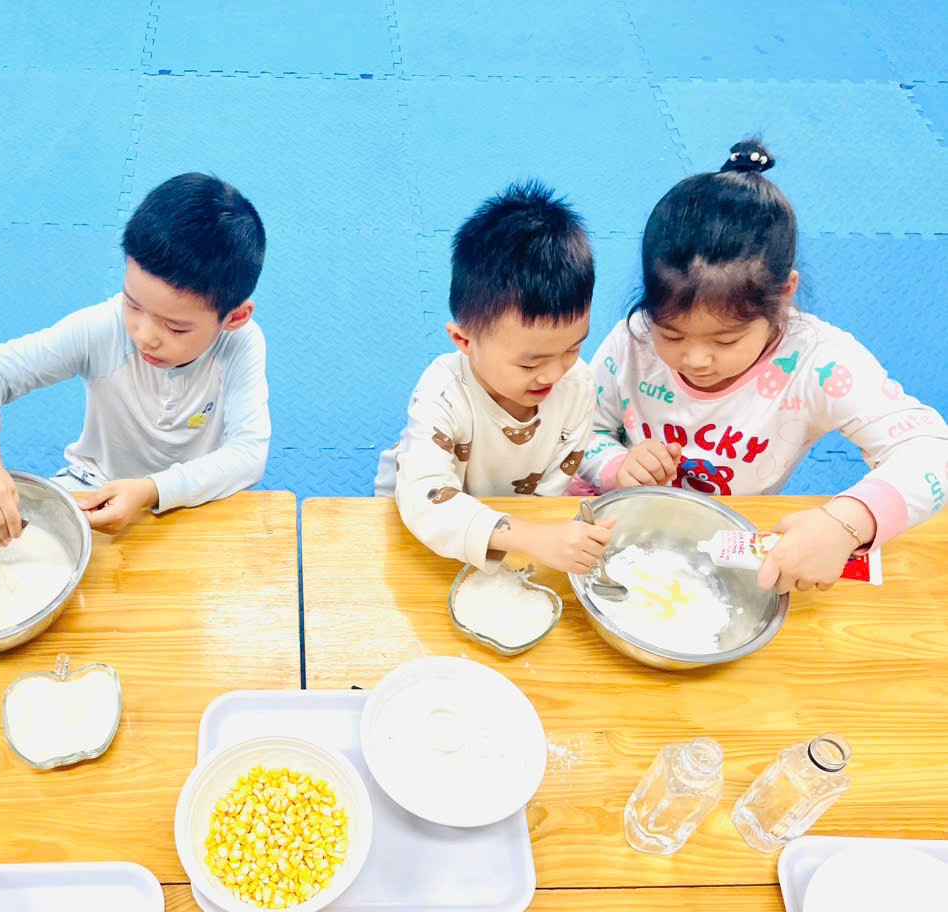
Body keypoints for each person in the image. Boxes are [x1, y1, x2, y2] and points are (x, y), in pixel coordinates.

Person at [581, 140, 948, 593]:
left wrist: (846, 523)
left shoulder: (817, 363)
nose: (695, 360)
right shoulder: (634, 340)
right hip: (626, 526)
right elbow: (579, 432)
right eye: (672, 334)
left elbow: (932, 451)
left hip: (731, 539)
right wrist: (617, 466)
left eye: (726, 340)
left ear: (784, 294)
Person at [0, 173, 269, 543]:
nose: (144, 335)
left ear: (235, 317)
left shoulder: (240, 345)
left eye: (175, 327)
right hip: (95, 490)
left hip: (195, 498)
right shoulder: (104, 328)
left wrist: (151, 490)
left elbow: (249, 454)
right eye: (133, 304)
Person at [375, 181, 613, 573]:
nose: (556, 372)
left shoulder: (577, 384)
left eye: (573, 348)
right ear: (464, 340)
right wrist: (529, 537)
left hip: (514, 530)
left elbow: (549, 493)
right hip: (419, 521)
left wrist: (540, 537)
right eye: (530, 364)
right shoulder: (442, 393)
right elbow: (424, 499)